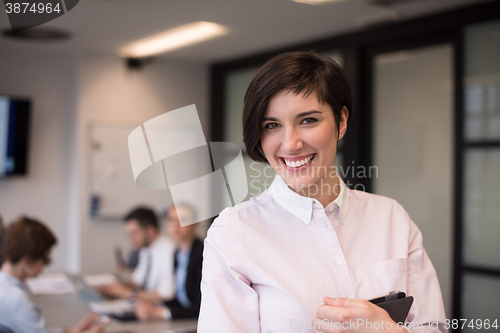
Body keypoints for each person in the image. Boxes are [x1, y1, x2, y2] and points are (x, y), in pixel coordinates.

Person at [198, 52, 447, 333]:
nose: (291, 144)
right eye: (272, 125)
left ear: (341, 122)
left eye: (308, 120)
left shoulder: (391, 217)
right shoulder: (235, 232)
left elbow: (434, 327)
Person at [0, 216, 109, 333]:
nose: (45, 267)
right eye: (46, 260)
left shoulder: (6, 288)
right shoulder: (18, 301)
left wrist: (74, 331)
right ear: (27, 261)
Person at [134, 203, 203, 320]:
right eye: (171, 220)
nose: (176, 225)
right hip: (185, 320)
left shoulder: (202, 255)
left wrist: (160, 313)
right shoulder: (178, 254)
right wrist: (154, 305)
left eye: (182, 220)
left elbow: (200, 307)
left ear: (195, 224)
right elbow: (181, 299)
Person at [98, 206, 175, 303]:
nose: (130, 239)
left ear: (150, 230)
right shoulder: (146, 248)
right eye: (129, 234)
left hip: (158, 310)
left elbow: (166, 294)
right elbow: (137, 281)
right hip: (144, 305)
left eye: (134, 233)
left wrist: (128, 293)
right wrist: (112, 287)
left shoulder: (169, 251)